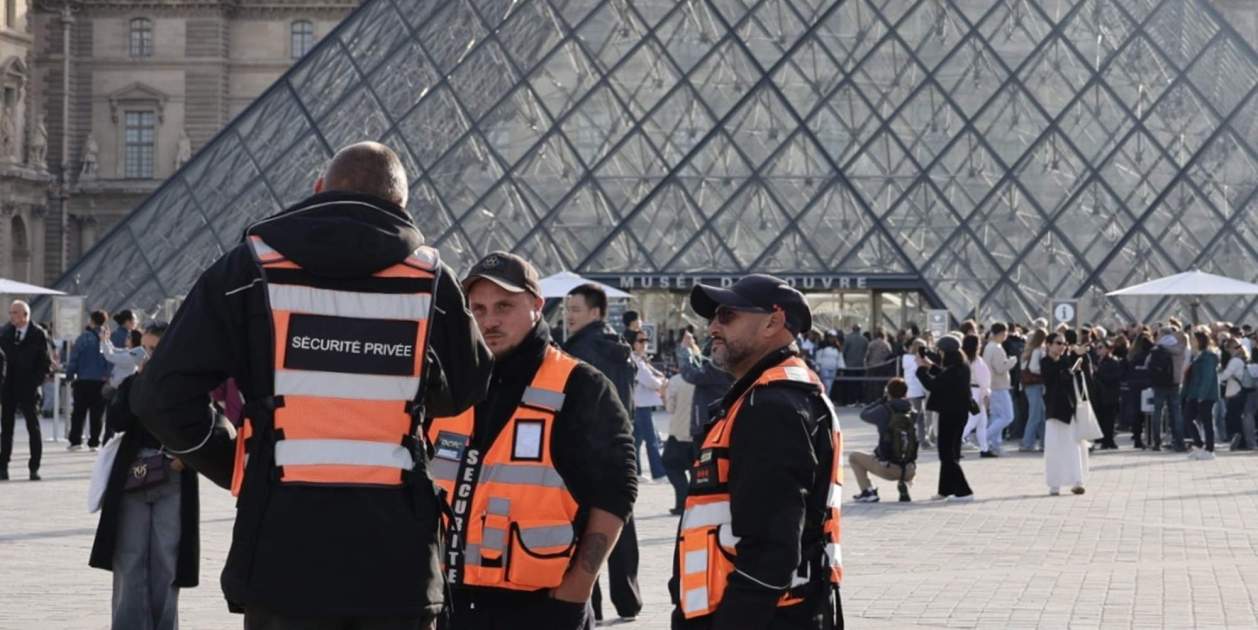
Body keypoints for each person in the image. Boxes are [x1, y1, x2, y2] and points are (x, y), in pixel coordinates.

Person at [130, 142, 493, 629]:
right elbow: (470, 384)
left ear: (319, 190)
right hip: (396, 560)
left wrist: (237, 464)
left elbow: (159, 395)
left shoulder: (250, 268)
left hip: (282, 551)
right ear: (401, 205)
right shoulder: (430, 279)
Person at [428, 252, 635, 630]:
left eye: (504, 306)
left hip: (540, 609)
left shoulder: (580, 385)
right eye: (478, 308)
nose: (489, 320)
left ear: (537, 306)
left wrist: (577, 588)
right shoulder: (450, 386)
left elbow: (616, 491)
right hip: (450, 605)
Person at [671, 274, 842, 629]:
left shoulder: (770, 407)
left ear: (773, 322)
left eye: (727, 315)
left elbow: (772, 549)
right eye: (714, 316)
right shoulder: (772, 396)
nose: (713, 325)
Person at [90, 322, 199, 630]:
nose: (149, 354)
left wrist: (185, 459)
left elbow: (207, 423)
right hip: (133, 474)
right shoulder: (133, 382)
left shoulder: (188, 384)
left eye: (156, 348)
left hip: (173, 474)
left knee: (167, 558)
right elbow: (116, 421)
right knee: (130, 555)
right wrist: (136, 382)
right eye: (146, 348)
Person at [562, 283, 642, 623]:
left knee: (586, 532)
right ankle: (629, 599)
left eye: (574, 310)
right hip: (619, 446)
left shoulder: (580, 350)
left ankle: (588, 604)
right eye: (566, 310)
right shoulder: (619, 348)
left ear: (595, 312)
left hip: (586, 448)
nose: (568, 317)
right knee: (620, 525)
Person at [0, 301, 52, 481]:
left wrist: (34, 383)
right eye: (10, 312)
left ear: (25, 315)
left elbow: (45, 363)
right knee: (6, 428)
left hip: (28, 388)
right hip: (8, 388)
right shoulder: (5, 332)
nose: (11, 316)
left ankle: (34, 467)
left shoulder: (38, 334)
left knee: (33, 427)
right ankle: (3, 466)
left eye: (14, 313)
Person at [916, 348, 975, 501]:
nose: (940, 356)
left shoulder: (952, 372)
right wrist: (930, 366)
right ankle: (945, 489)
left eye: (942, 352)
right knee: (951, 453)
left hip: (950, 415)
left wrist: (921, 369)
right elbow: (943, 376)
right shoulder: (962, 368)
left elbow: (933, 385)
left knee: (947, 454)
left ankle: (964, 492)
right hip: (959, 414)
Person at [850, 378, 918, 503]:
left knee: (854, 457)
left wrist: (881, 401)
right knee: (900, 445)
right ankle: (903, 482)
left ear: (888, 392)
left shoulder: (884, 410)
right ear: (906, 393)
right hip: (910, 470)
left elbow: (864, 414)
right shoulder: (912, 412)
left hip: (888, 469)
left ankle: (868, 492)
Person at [1041, 332, 1090, 496]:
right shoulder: (1046, 362)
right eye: (1058, 343)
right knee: (1054, 449)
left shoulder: (1067, 360)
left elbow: (1083, 375)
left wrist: (1081, 357)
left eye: (1064, 344)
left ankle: (1077, 481)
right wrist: (1070, 364)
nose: (1062, 346)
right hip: (1054, 411)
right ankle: (1054, 484)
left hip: (1071, 410)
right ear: (1048, 344)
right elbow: (1053, 377)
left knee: (1074, 447)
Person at [66, 310, 112, 451]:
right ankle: (94, 442)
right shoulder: (106, 339)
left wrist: (70, 374)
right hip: (101, 381)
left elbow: (74, 358)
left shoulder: (84, 338)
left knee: (79, 412)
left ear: (91, 321)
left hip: (83, 381)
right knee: (97, 414)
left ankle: (75, 441)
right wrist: (108, 375)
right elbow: (110, 359)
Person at [100, 328, 147, 445]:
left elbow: (111, 356)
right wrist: (106, 340)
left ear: (134, 340)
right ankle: (107, 443)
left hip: (122, 390)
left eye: (129, 337)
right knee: (111, 418)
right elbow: (115, 351)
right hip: (118, 389)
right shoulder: (131, 351)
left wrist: (103, 341)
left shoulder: (134, 354)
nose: (126, 339)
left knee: (113, 419)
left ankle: (108, 444)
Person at [631, 332, 668, 481]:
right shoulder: (635, 361)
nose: (644, 343)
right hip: (641, 405)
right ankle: (659, 474)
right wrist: (662, 384)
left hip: (641, 404)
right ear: (633, 343)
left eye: (646, 340)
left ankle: (636, 472)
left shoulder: (640, 360)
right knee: (651, 441)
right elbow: (650, 381)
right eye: (641, 340)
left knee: (637, 441)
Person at [982, 323, 1018, 454]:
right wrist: (1012, 362)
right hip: (999, 386)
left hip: (991, 385)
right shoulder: (997, 348)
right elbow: (1000, 368)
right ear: (1003, 333)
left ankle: (994, 444)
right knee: (1008, 416)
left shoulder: (988, 347)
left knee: (996, 416)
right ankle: (985, 437)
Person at [1148, 326, 1186, 451]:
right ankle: (1179, 441)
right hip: (1175, 383)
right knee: (1176, 412)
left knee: (1157, 413)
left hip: (1159, 384)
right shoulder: (1179, 348)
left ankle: (1157, 442)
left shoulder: (1157, 348)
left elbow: (1148, 365)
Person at [1184, 331, 1220, 460]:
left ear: (1199, 341)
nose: (1191, 342)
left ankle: (1210, 450)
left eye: (1193, 340)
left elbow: (1207, 377)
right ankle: (1199, 444)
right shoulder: (1197, 356)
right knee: (1188, 418)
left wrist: (1202, 395)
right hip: (1194, 393)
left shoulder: (1208, 357)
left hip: (1205, 394)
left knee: (1207, 421)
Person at [664, 371, 696, 515]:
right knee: (695, 468)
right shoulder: (710, 378)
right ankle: (694, 500)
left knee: (671, 466)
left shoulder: (676, 380)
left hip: (679, 431)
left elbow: (670, 408)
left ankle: (682, 501)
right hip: (700, 432)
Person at [961, 334, 994, 457]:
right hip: (977, 393)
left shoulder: (965, 360)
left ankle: (984, 449)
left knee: (981, 423)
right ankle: (955, 442)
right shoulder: (978, 361)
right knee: (973, 421)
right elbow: (984, 381)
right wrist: (985, 397)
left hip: (969, 391)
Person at [1019, 328, 1048, 452]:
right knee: (1036, 416)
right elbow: (1034, 368)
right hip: (1036, 384)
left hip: (1029, 385)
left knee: (1040, 416)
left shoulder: (1028, 350)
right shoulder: (1038, 351)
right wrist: (1045, 373)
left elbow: (1024, 367)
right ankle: (1027, 443)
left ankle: (1044, 443)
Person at [1219, 339, 1250, 451]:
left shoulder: (1235, 361)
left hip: (1235, 392)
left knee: (1232, 418)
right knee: (1236, 417)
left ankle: (1240, 440)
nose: (1226, 350)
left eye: (1227, 348)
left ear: (1231, 348)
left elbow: (1226, 375)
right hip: (1240, 392)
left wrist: (1217, 378)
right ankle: (1241, 441)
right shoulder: (1242, 359)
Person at [1093, 340, 1123, 450]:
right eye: (1097, 347)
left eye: (1100, 347)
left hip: (1110, 395)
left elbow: (1112, 379)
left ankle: (1108, 441)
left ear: (1107, 349)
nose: (1098, 350)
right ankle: (1105, 440)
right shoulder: (1097, 361)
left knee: (1109, 419)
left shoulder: (1113, 362)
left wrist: (1098, 371)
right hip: (1099, 395)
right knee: (1102, 418)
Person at [903, 339, 931, 448]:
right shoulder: (917, 360)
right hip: (917, 391)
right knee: (919, 418)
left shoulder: (906, 359)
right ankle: (921, 441)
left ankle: (911, 440)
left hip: (909, 391)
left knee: (913, 417)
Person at [842, 324, 867, 405]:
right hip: (861, 365)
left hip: (849, 365)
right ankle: (860, 401)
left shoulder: (848, 338)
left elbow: (844, 352)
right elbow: (866, 352)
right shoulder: (864, 339)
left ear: (852, 329)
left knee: (850, 384)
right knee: (860, 384)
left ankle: (851, 401)